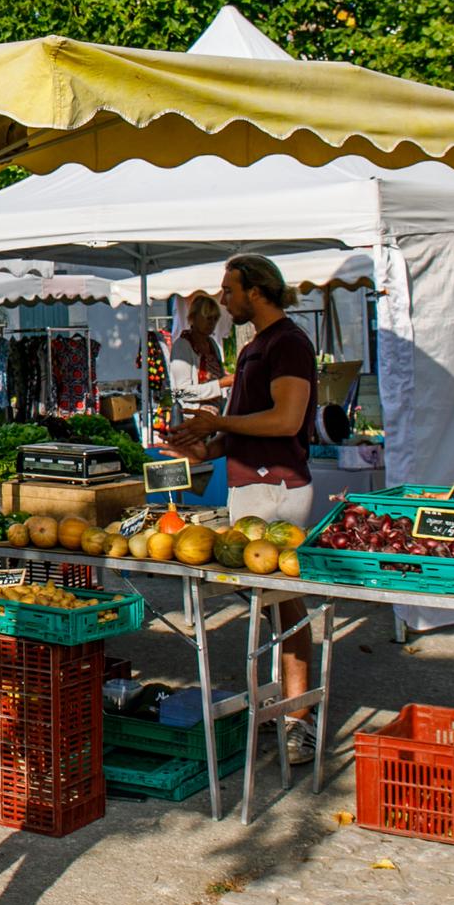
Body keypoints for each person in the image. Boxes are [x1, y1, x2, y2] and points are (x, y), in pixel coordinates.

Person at [174, 253, 321, 764]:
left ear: (256, 291)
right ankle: (282, 707)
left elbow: (286, 420)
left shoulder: (288, 343)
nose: (223, 299)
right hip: (250, 484)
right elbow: (244, 429)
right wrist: (200, 447)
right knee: (270, 605)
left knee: (284, 604)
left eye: (229, 290)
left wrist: (219, 424)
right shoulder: (255, 345)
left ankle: (300, 718)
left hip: (276, 486)